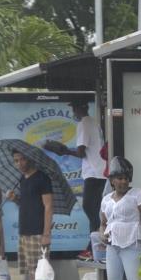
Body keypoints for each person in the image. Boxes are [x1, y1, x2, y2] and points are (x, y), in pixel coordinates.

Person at [45, 98, 106, 260]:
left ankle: (94, 248)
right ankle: (93, 248)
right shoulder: (94, 123)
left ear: (80, 108)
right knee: (95, 212)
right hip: (100, 171)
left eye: (74, 108)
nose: (74, 112)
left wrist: (64, 151)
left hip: (93, 173)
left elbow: (80, 152)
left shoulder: (84, 124)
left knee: (91, 210)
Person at [9, 150, 55, 280]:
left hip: (38, 231)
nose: (19, 163)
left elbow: (48, 206)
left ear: (29, 159)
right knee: (31, 270)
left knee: (41, 269)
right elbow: (27, 203)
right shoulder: (22, 179)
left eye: (22, 159)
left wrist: (46, 233)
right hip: (25, 230)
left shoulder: (42, 178)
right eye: (16, 160)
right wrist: (15, 199)